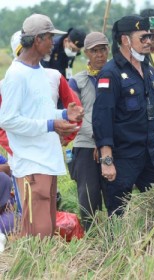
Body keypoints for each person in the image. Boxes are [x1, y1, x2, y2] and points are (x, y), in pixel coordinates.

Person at [0, 14, 84, 238]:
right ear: (37, 40)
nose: (53, 43)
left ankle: (47, 268)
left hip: (46, 158)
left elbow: (39, 113)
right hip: (31, 163)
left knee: (47, 224)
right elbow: (7, 120)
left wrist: (66, 113)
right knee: (37, 231)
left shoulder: (40, 72)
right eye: (50, 38)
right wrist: (50, 124)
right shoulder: (16, 75)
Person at [92, 15, 154, 217]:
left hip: (151, 153)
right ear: (125, 40)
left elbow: (153, 113)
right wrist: (107, 159)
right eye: (143, 37)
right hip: (123, 156)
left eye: (151, 36)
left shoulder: (148, 70)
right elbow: (102, 118)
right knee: (119, 214)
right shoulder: (110, 73)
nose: (149, 41)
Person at [68, 32, 109, 231]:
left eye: (103, 49)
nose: (100, 55)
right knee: (88, 194)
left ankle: (114, 233)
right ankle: (89, 234)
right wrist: (97, 139)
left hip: (112, 144)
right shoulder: (77, 81)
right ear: (86, 53)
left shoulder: (116, 76)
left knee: (114, 193)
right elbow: (75, 115)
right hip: (85, 143)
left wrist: (105, 142)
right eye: (95, 51)